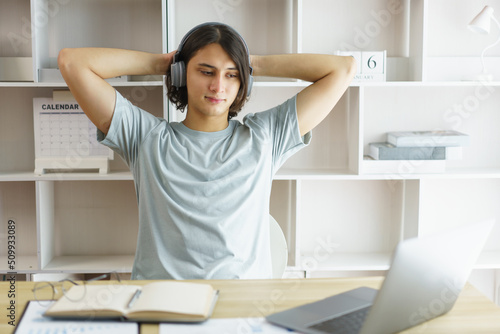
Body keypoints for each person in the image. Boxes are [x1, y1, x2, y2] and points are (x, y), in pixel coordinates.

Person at [57, 22, 356, 280]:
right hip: (162, 301)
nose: (218, 86)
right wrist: (164, 64)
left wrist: (252, 64)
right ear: (182, 74)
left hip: (242, 306)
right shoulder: (146, 137)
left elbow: (342, 69)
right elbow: (72, 62)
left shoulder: (265, 137)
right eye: (206, 71)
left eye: (231, 75)